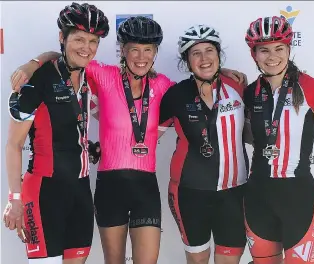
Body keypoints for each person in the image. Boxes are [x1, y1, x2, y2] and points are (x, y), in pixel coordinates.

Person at [8, 16, 247, 264]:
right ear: (123, 50)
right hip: (110, 187)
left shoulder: (165, 86)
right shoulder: (103, 75)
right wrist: (33, 64)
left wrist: (221, 71)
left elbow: (199, 84)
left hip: (146, 187)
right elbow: (66, 57)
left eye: (148, 50)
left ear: (155, 53)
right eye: (134, 49)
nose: (141, 57)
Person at [2, 2, 109, 264]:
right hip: (43, 192)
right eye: (80, 39)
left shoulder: (89, 79)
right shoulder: (35, 82)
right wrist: (14, 199)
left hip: (81, 190)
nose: (87, 48)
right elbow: (14, 145)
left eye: (93, 41)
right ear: (63, 37)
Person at [242, 16, 314, 264]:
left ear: (289, 49)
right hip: (258, 195)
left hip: (298, 198)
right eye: (264, 50)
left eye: (279, 49)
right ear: (254, 54)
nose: (272, 56)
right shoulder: (250, 92)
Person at [159, 25, 248, 264]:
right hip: (189, 193)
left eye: (210, 50)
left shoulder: (238, 87)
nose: (204, 58)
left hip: (234, 192)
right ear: (187, 61)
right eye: (195, 53)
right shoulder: (175, 95)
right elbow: (145, 136)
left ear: (219, 55)